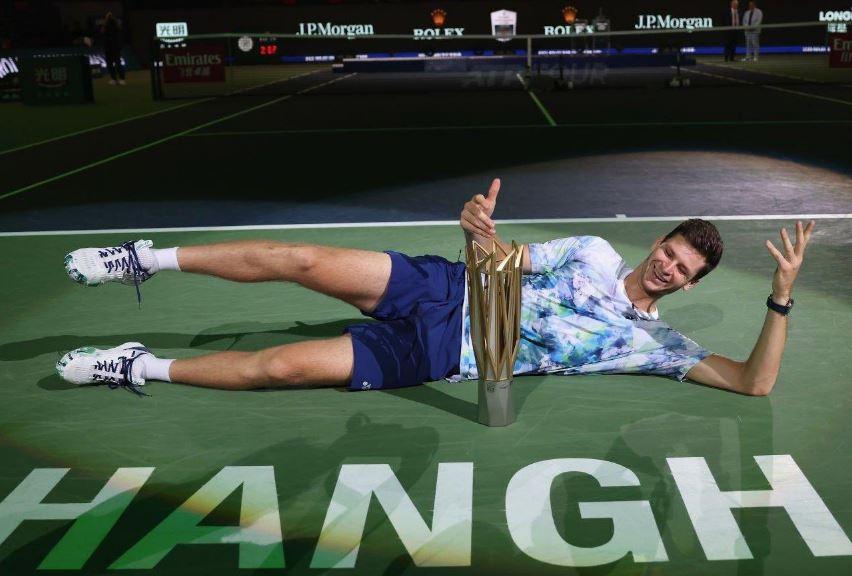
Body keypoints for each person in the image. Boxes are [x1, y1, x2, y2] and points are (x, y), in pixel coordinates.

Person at [56, 179, 813, 398]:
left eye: (683, 269)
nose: (667, 267)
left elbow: (754, 383)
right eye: (669, 251)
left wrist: (780, 294)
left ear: (691, 283)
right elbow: (503, 261)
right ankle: (145, 258)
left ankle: (138, 365)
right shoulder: (588, 251)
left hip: (447, 354)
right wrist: (480, 231)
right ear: (658, 243)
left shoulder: (653, 344)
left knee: (280, 367)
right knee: (301, 258)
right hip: (445, 287)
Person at [101, 11, 125, 85]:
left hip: (110, 47)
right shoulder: (116, 26)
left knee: (111, 64)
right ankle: (120, 79)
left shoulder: (106, 26)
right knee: (117, 63)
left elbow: (103, 34)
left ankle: (114, 79)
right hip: (114, 47)